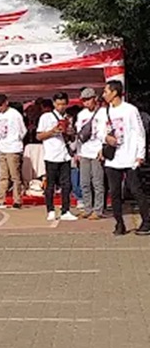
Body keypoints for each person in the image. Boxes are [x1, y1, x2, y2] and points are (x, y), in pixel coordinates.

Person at [100, 80, 149, 235]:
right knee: (114, 192)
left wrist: (140, 155)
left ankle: (146, 221)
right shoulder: (105, 111)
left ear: (114, 92)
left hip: (130, 156)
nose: (103, 94)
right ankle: (119, 224)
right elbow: (101, 133)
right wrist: (107, 139)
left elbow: (140, 133)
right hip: (113, 158)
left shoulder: (130, 110)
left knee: (135, 189)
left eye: (106, 91)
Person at [37, 92, 77, 221]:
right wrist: (52, 131)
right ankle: (50, 209)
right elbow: (39, 136)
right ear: (54, 104)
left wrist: (70, 133)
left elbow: (72, 137)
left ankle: (66, 210)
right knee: (51, 184)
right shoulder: (46, 117)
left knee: (66, 184)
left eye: (63, 104)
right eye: (58, 104)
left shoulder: (68, 117)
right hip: (51, 155)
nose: (61, 107)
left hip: (65, 155)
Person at [76, 89, 106, 220]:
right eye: (84, 100)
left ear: (95, 98)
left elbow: (106, 132)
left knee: (98, 182)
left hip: (97, 151)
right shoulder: (81, 114)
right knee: (84, 182)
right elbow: (79, 135)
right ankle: (87, 208)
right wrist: (78, 152)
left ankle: (98, 210)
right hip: (84, 151)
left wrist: (103, 149)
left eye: (88, 99)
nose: (86, 102)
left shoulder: (103, 113)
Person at [0, 94, 27, 209]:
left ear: (6, 103)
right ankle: (1, 199)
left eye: (0, 105)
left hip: (13, 148)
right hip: (2, 147)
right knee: (3, 176)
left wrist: (16, 140)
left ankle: (17, 200)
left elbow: (23, 130)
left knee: (15, 176)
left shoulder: (15, 114)